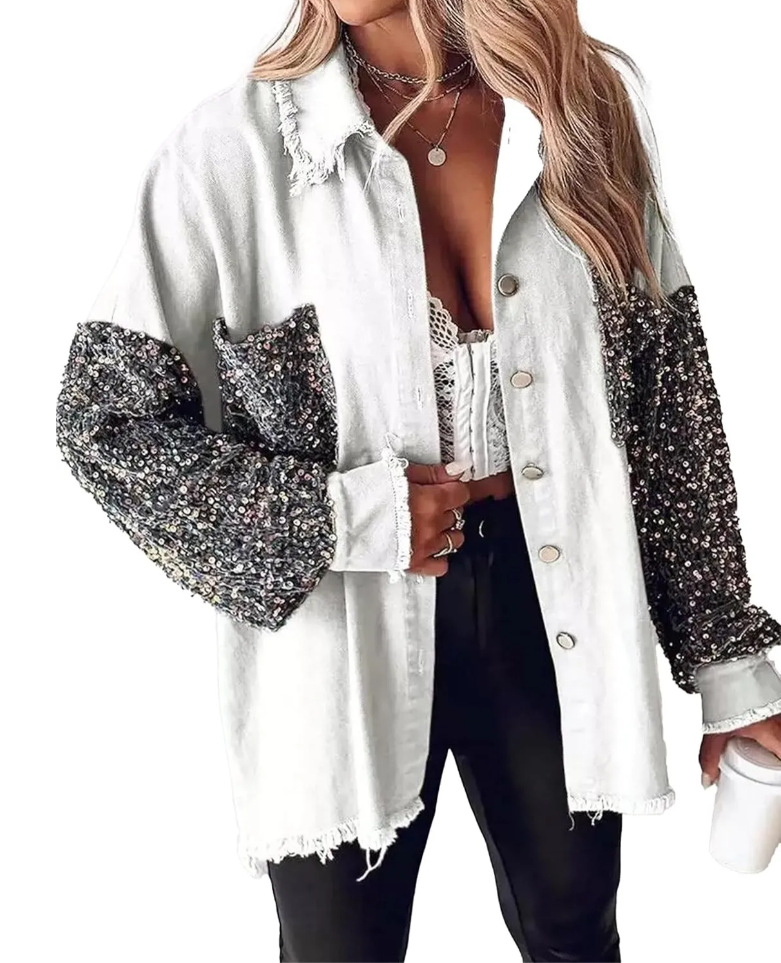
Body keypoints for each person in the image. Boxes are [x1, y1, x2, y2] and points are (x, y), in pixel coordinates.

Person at [55, 1, 781, 960]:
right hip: (342, 627)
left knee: (575, 933)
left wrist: (733, 672)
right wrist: (341, 518)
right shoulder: (236, 152)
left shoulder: (573, 113)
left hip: (550, 605)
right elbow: (104, 423)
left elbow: (666, 416)